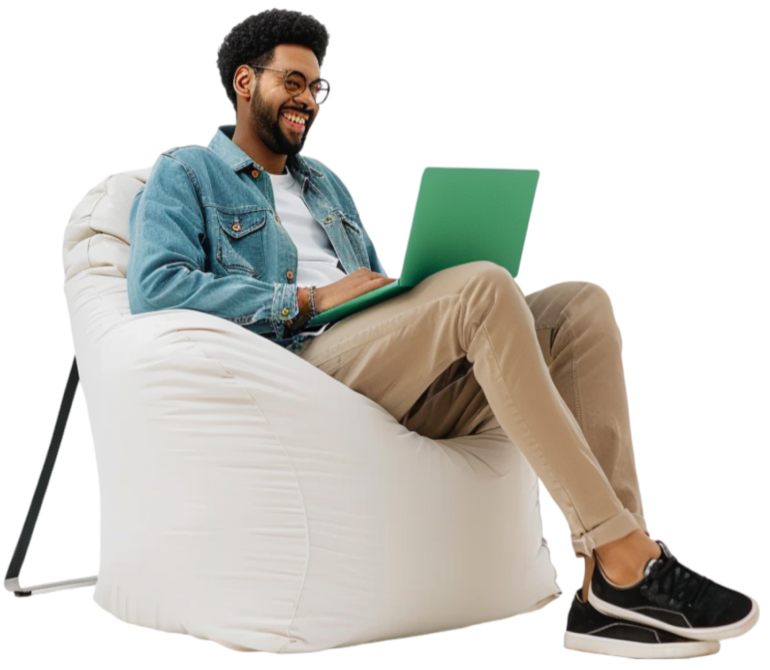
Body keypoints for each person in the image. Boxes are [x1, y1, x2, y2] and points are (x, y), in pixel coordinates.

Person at [126, 8, 760, 661]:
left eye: (318, 88)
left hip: (380, 358)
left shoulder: (326, 183)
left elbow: (368, 280)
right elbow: (156, 287)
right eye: (294, 82)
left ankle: (607, 588)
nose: (309, 100)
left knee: (580, 305)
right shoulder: (188, 171)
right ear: (244, 82)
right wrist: (309, 299)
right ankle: (628, 557)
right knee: (483, 288)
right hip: (304, 363)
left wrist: (407, 292)